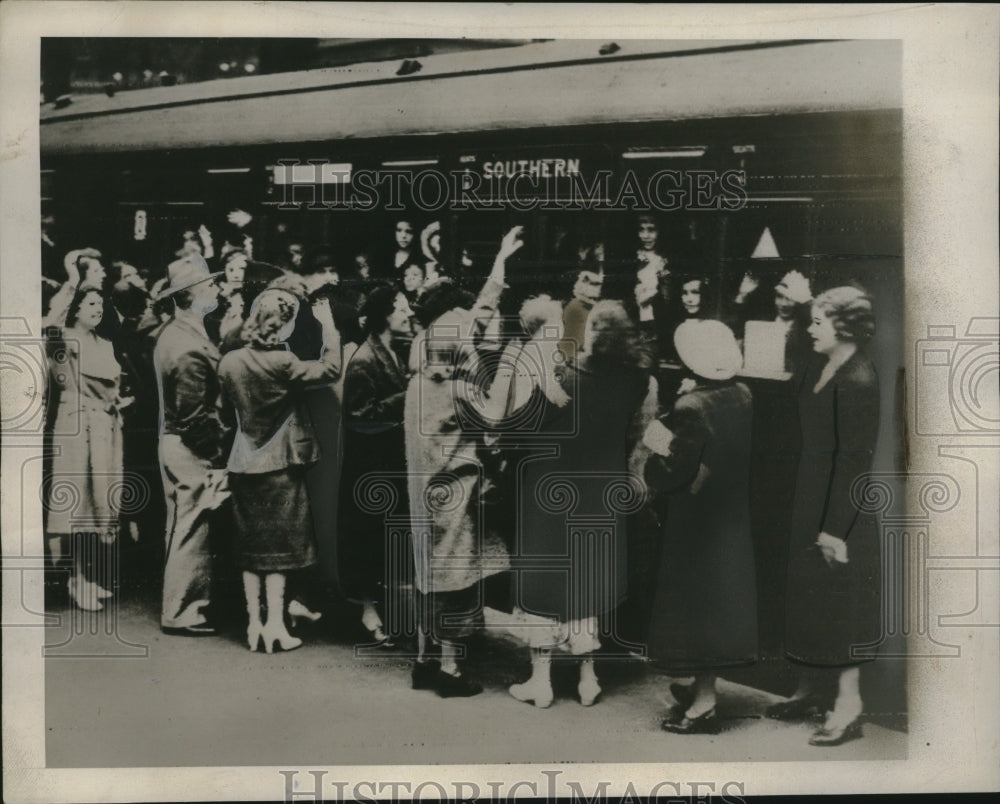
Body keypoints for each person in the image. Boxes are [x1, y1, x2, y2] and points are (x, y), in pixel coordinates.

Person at [505, 299, 651, 708]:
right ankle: (588, 678)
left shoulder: (560, 377)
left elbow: (518, 428)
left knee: (544, 581)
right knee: (585, 581)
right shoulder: (636, 379)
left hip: (549, 490)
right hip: (600, 490)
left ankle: (541, 681)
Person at [405, 225, 525, 697]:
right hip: (453, 491)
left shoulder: (418, 379)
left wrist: (500, 261)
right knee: (455, 577)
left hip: (421, 491)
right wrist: (512, 362)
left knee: (424, 574)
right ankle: (452, 672)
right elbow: (497, 413)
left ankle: (422, 660)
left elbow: (477, 313)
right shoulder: (458, 390)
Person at [768, 286, 881, 747]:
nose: (810, 329)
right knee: (810, 595)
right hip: (811, 493)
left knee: (839, 602)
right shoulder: (823, 363)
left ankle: (849, 704)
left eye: (818, 322)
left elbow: (854, 463)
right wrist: (801, 306)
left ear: (844, 326)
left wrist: (836, 530)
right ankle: (812, 690)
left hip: (841, 505)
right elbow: (796, 347)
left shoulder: (858, 378)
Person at [642, 319, 757, 734]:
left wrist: (657, 438)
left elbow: (673, 469)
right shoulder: (743, 394)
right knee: (715, 600)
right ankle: (701, 688)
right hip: (728, 514)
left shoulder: (692, 407)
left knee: (693, 603)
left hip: (695, 517)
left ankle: (704, 703)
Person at [218, 288, 342, 653]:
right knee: (279, 550)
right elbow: (331, 369)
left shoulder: (229, 362)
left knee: (250, 549)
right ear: (282, 327)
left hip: (242, 461)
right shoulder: (283, 362)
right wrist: (328, 327)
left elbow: (224, 413)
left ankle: (253, 625)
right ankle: (275, 625)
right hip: (280, 465)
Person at [153, 254, 230, 635]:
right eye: (209, 285)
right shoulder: (185, 343)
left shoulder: (183, 332)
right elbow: (193, 415)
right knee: (191, 525)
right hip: (190, 446)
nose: (216, 288)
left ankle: (185, 607)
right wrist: (216, 457)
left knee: (187, 522)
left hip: (179, 442)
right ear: (190, 295)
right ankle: (182, 611)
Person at [45, 263, 128, 611]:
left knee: (97, 501)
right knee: (75, 502)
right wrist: (73, 281)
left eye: (100, 305)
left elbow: (111, 387)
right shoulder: (64, 340)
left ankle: (85, 576)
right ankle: (72, 579)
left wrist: (119, 402)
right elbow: (51, 323)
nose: (97, 310)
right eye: (89, 304)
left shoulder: (104, 342)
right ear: (75, 309)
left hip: (105, 426)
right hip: (75, 424)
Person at [337, 285, 414, 644]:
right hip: (369, 468)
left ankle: (378, 611)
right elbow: (358, 416)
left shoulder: (392, 353)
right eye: (401, 307)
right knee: (369, 541)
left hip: (384, 464)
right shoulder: (365, 360)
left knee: (380, 541)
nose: (408, 312)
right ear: (386, 315)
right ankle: (369, 612)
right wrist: (406, 396)